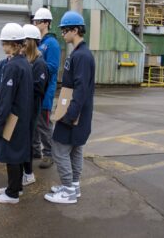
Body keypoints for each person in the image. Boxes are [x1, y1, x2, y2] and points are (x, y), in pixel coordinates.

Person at [44, 11, 95, 204]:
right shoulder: (81, 53)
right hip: (80, 112)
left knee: (59, 148)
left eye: (65, 30)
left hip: (75, 112)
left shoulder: (81, 56)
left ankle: (68, 191)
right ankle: (74, 186)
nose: (63, 34)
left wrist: (69, 114)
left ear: (75, 30)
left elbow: (80, 88)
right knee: (75, 149)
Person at [0, 23, 33, 204]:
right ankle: (15, 187)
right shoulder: (24, 63)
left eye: (4, 43)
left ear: (13, 44)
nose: (2, 46)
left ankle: (12, 194)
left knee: (12, 155)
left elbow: (7, 99)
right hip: (23, 116)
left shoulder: (12, 66)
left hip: (12, 118)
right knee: (17, 153)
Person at [32, 7, 61, 169]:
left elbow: (52, 67)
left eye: (37, 21)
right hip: (37, 89)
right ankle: (36, 150)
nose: (35, 24)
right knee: (35, 122)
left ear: (46, 23)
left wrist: (35, 66)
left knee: (44, 123)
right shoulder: (39, 43)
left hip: (45, 91)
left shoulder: (52, 44)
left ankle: (49, 153)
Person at [21, 24, 49, 186]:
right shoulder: (27, 60)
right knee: (24, 141)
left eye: (24, 42)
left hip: (31, 109)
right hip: (24, 108)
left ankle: (29, 174)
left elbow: (38, 89)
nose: (22, 45)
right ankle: (26, 172)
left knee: (29, 141)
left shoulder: (39, 64)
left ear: (32, 42)